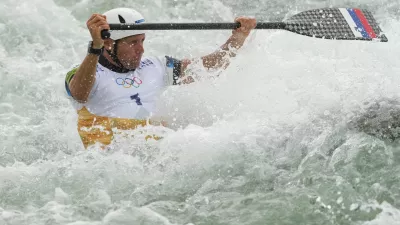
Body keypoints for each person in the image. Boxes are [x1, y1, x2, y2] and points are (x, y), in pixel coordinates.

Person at [65, 7, 256, 149]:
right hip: (111, 162)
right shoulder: (84, 71)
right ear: (108, 43)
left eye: (142, 41)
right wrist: (94, 48)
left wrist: (238, 38)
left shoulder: (156, 65)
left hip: (157, 153)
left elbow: (206, 69)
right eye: (132, 43)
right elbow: (79, 94)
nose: (141, 49)